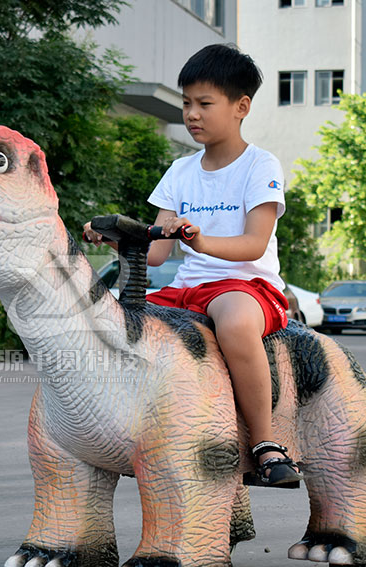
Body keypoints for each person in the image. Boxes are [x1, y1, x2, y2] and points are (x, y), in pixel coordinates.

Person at [84, 44, 302, 487]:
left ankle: (265, 442)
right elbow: (158, 251)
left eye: (204, 103)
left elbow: (254, 244)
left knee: (235, 323)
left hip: (247, 286)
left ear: (241, 107)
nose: (192, 114)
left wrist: (200, 239)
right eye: (186, 103)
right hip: (187, 288)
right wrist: (113, 236)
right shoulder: (180, 171)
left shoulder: (260, 165)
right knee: (115, 320)